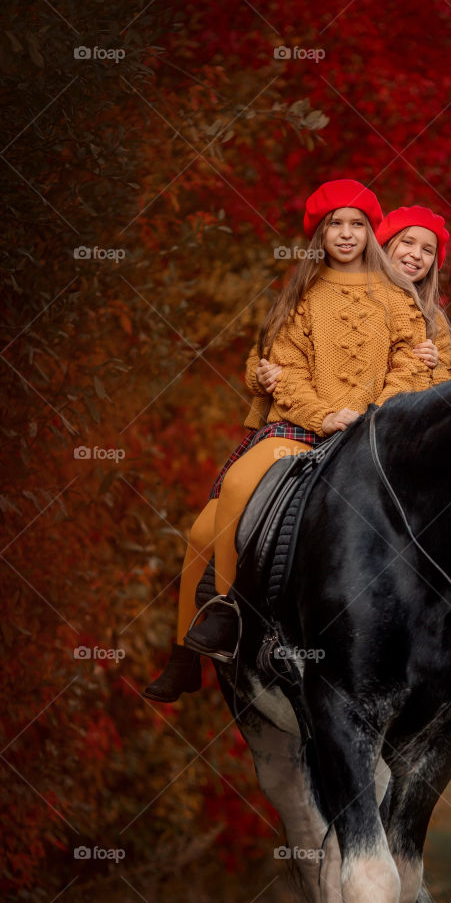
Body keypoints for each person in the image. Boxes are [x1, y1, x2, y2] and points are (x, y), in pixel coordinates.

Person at [143, 179, 436, 700]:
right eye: (334, 224)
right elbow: (285, 369)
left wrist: (370, 415)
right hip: (299, 430)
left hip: (368, 435)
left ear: (372, 233)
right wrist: (325, 415)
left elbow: (411, 364)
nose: (345, 234)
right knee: (209, 521)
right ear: (320, 234)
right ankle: (197, 642)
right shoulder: (301, 296)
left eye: (357, 224)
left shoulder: (397, 298)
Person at [253, 204, 451, 396]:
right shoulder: (345, 297)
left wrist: (431, 367)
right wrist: (259, 376)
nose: (416, 254)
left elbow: (447, 389)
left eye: (427, 250)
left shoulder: (432, 319)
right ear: (383, 246)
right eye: (407, 242)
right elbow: (273, 355)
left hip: (390, 414)